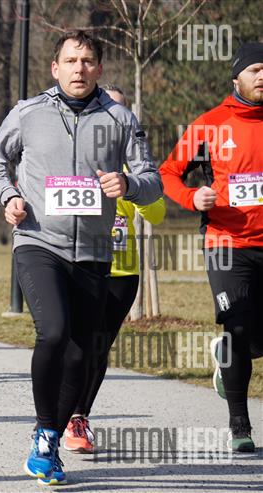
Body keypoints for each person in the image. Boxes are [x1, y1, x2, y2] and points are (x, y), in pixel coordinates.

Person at [0, 31, 162, 485]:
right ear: (55, 67)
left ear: (99, 68)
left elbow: (152, 181)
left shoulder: (120, 118)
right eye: (70, 60)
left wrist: (129, 185)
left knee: (83, 355)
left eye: (87, 60)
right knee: (54, 331)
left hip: (95, 252)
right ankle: (46, 435)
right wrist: (9, 197)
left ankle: (50, 436)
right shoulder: (29, 112)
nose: (79, 68)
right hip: (38, 241)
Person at [160, 42, 263, 453]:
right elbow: (168, 172)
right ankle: (240, 424)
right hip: (227, 243)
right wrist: (192, 197)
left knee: (253, 337)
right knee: (237, 327)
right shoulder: (211, 124)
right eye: (255, 69)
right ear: (236, 78)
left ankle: (227, 358)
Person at [63, 84, 166, 454]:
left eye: (121, 112)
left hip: (122, 273)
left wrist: (130, 188)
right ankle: (55, 409)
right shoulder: (75, 156)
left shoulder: (134, 166)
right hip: (81, 264)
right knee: (72, 342)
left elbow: (157, 212)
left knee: (98, 347)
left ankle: (78, 417)